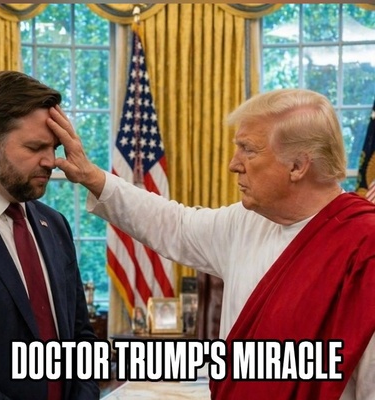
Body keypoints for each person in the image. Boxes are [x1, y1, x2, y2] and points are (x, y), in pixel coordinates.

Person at [48, 88, 375, 399]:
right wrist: (91, 176)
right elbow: (174, 225)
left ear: (298, 165)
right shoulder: (247, 222)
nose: (234, 164)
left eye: (248, 149)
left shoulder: (364, 247)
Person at [0, 71, 99, 400]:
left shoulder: (55, 226)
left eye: (53, 148)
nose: (51, 162)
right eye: (35, 147)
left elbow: (81, 335)